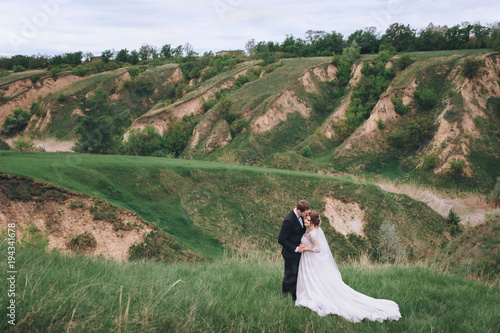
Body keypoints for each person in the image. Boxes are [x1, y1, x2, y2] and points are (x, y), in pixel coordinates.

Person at [295, 211, 402, 323]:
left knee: (313, 279)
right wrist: (304, 245)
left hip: (311, 258)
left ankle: (313, 296)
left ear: (312, 222)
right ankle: (310, 293)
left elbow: (318, 249)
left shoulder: (313, 233)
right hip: (309, 259)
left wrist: (305, 248)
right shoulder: (310, 230)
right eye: (305, 219)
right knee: (312, 279)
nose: (305, 221)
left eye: (308, 220)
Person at [278, 200, 311, 301]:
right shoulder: (289, 220)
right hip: (290, 253)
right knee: (289, 275)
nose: (307, 215)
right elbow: (281, 239)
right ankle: (284, 297)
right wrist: (296, 248)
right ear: (299, 211)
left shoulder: (300, 216)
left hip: (298, 252)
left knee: (296, 274)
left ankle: (294, 295)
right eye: (306, 213)